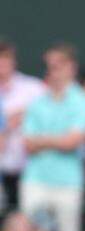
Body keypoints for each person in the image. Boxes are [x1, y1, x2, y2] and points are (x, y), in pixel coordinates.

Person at [19, 42, 85, 231]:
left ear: (71, 68)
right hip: (36, 180)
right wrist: (56, 140)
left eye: (58, 65)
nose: (53, 71)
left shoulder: (82, 101)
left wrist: (44, 141)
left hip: (68, 183)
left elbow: (72, 142)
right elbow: (28, 142)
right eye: (49, 66)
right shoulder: (38, 102)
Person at [0, 39, 47, 215]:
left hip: (30, 171)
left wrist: (26, 116)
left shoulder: (33, 88)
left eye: (6, 58)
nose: (2, 64)